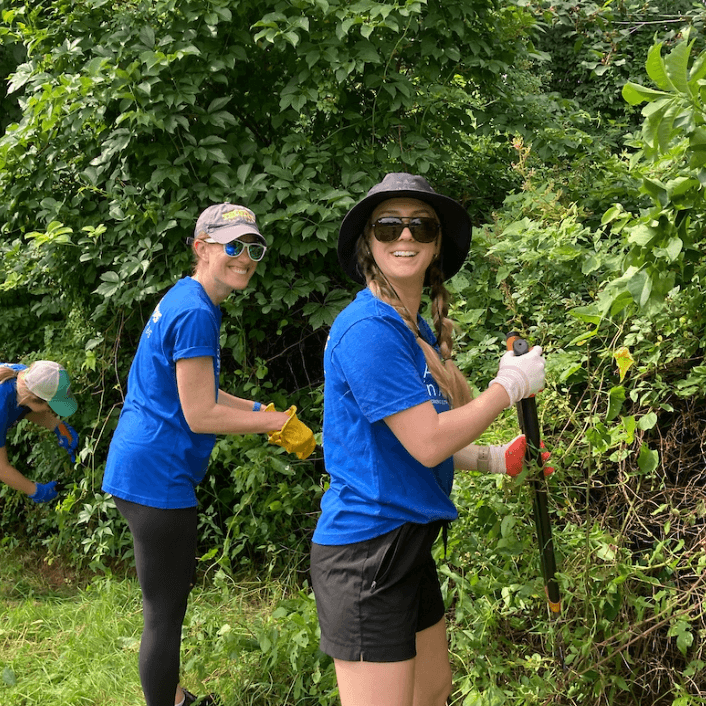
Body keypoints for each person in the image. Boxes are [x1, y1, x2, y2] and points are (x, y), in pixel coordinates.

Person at [310, 173, 546, 706]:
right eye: (388, 225)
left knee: (433, 692)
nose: (405, 236)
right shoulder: (367, 328)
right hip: (366, 551)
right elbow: (426, 443)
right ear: (369, 243)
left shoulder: (410, 332)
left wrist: (492, 459)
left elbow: (414, 441)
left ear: (437, 242)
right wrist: (508, 387)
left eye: (421, 225)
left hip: (407, 544)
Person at [102, 203, 315, 706]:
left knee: (167, 598)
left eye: (253, 247)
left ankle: (173, 696)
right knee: (165, 610)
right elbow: (201, 414)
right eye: (233, 246)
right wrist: (276, 423)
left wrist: (262, 409)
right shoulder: (197, 311)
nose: (245, 257)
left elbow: (200, 393)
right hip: (158, 474)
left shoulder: (186, 296)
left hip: (141, 464)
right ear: (202, 248)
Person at [0, 360, 79, 503]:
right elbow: (1, 468)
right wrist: (35, 491)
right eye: (50, 407)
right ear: (36, 399)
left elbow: (24, 407)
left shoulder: (26, 377)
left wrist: (57, 426)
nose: (51, 411)